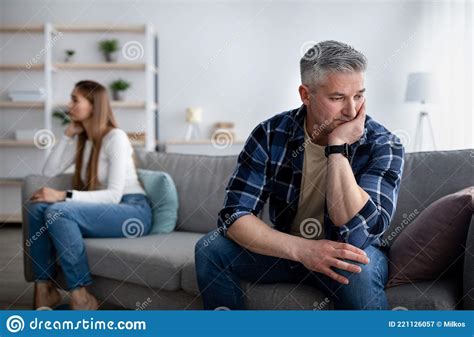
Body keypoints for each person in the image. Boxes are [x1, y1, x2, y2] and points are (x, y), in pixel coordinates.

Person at [195, 40, 405, 310]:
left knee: (359, 268)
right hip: (288, 250)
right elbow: (234, 216)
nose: (352, 111)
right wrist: (303, 250)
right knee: (210, 249)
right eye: (337, 98)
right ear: (306, 95)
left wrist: (337, 148)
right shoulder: (270, 134)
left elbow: (359, 232)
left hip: (349, 252)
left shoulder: (384, 144)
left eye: (359, 95)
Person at [25, 80, 152, 310]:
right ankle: (44, 291)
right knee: (37, 207)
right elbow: (49, 171)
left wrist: (63, 195)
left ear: (93, 105)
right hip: (108, 209)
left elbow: (114, 196)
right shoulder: (86, 141)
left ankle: (81, 295)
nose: (69, 104)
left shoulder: (116, 138)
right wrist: (67, 135)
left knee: (58, 211)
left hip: (133, 210)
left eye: (75, 99)